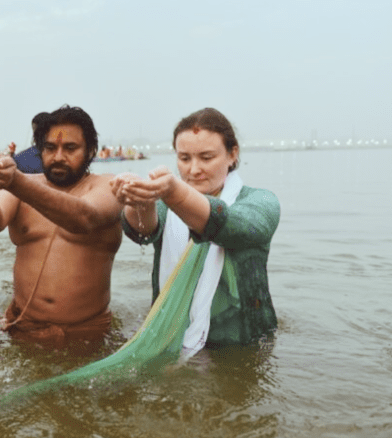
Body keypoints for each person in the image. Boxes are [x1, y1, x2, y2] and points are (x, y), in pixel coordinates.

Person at [111, 107, 279, 356]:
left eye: (206, 157)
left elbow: (231, 225)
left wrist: (175, 193)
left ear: (232, 154)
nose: (193, 169)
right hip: (170, 339)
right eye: (184, 158)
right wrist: (139, 200)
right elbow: (143, 232)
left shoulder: (261, 201)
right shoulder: (167, 205)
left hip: (244, 344)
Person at [0, 105, 123, 348]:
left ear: (91, 151)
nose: (58, 157)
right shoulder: (24, 184)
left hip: (87, 333)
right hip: (22, 325)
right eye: (50, 148)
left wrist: (16, 182)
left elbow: (85, 217)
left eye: (70, 148)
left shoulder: (109, 186)